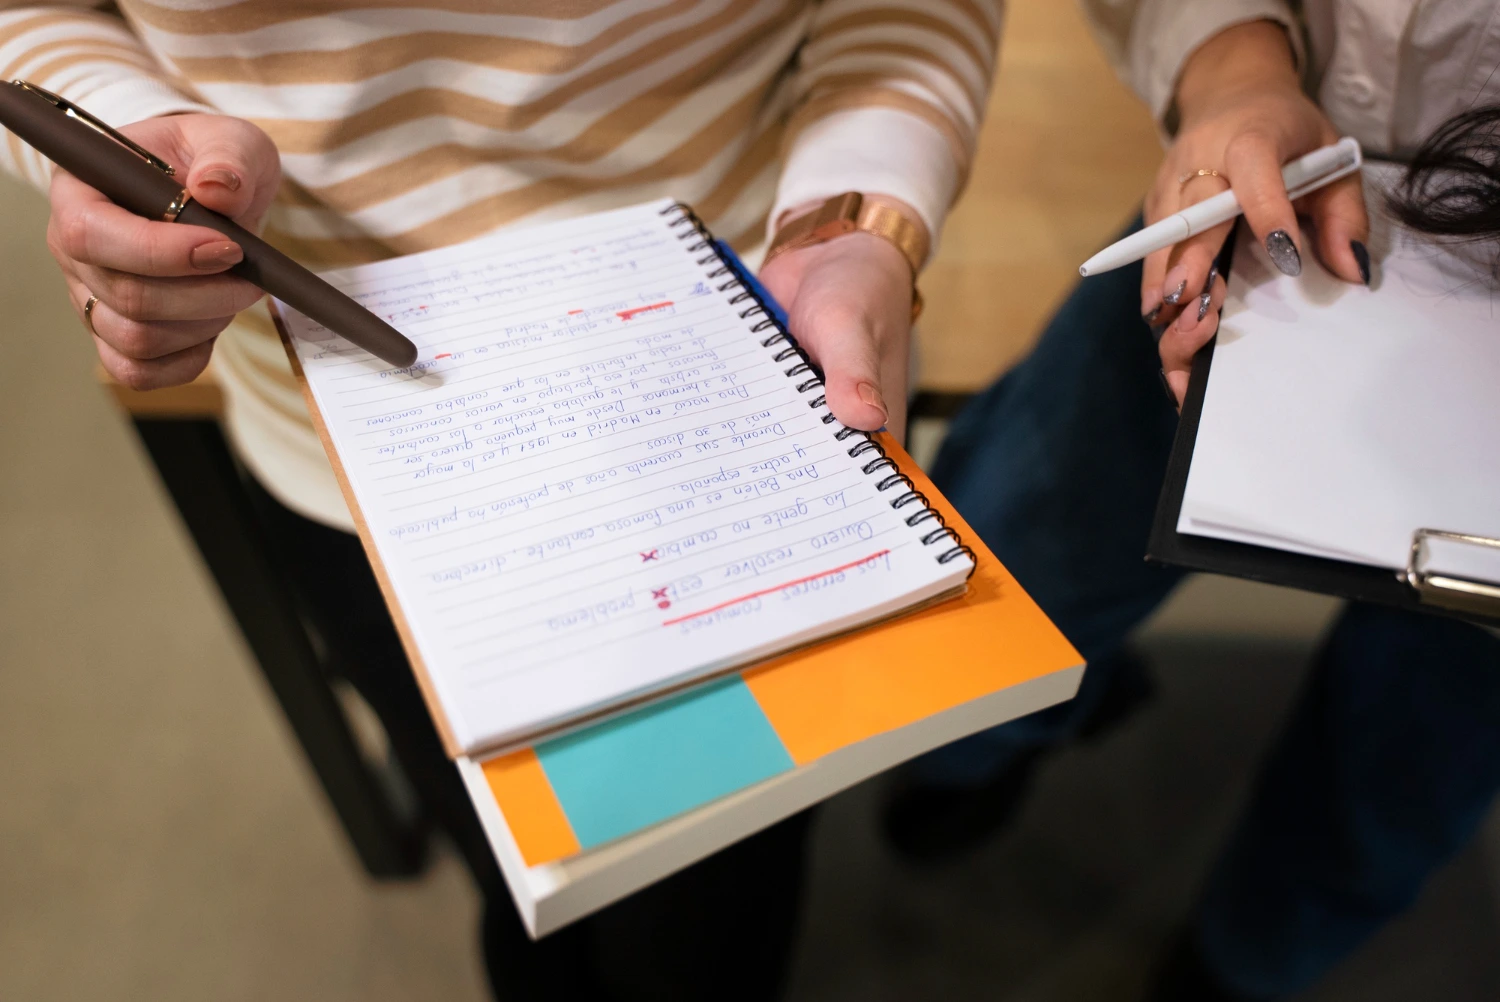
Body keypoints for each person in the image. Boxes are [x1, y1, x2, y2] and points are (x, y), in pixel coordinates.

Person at [0, 1, 1002, 998]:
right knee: (516, 866)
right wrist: (120, 136)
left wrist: (858, 216)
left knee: (713, 884)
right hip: (342, 437)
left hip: (744, 367)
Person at [885, 5, 1500, 1001]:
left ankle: (1246, 964)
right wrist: (1231, 70)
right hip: (1263, 196)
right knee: (1007, 557)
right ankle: (966, 760)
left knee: (1412, 755)